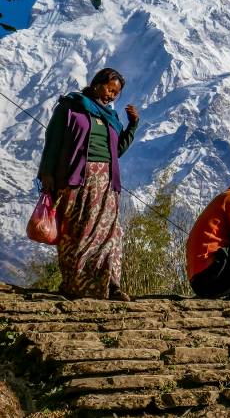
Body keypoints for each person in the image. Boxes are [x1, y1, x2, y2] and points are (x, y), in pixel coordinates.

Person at [37, 68, 139, 301]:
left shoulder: (111, 117)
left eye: (116, 93)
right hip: (75, 180)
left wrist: (133, 125)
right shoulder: (71, 107)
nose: (111, 96)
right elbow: (53, 140)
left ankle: (111, 286)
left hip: (106, 183)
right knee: (77, 232)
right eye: (110, 89)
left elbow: (117, 151)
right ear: (96, 84)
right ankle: (76, 285)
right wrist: (47, 174)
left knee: (109, 233)